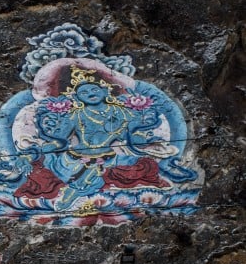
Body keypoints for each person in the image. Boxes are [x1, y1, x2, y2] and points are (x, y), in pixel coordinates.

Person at [17, 66, 172, 209]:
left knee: (147, 165)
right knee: (42, 174)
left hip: (110, 158)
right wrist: (32, 154)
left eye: (94, 89)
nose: (90, 93)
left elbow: (133, 135)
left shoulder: (123, 112)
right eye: (83, 93)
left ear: (105, 92)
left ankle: (81, 187)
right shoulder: (75, 115)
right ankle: (73, 192)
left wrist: (140, 137)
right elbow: (59, 141)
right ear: (77, 98)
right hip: (74, 160)